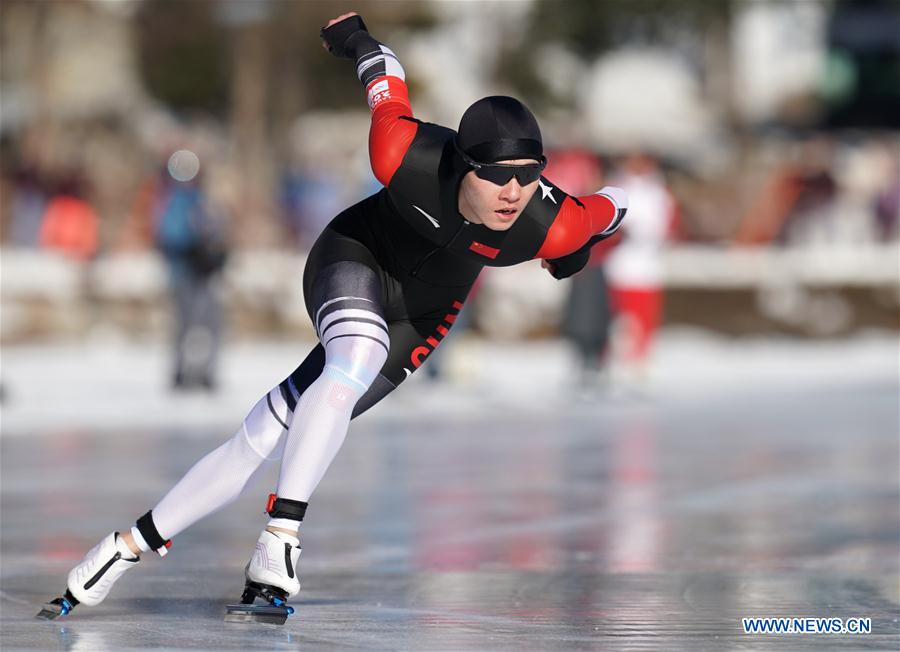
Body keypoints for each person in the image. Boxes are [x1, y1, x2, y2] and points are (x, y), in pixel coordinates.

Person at [39, 12, 627, 624]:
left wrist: (577, 247)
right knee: (354, 358)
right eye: (497, 176)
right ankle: (281, 540)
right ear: (461, 163)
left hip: (421, 316)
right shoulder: (404, 153)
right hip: (355, 258)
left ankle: (123, 549)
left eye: (529, 176)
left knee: (267, 433)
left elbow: (613, 206)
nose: (513, 193)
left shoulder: (549, 222)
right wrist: (357, 39)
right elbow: (385, 76)